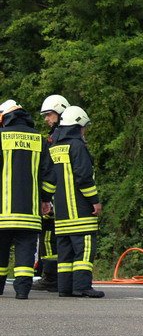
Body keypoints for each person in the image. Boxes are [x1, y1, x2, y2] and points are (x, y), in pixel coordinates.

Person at [0, 100, 56, 299]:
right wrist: (45, 200)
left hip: (2, 214)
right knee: (25, 251)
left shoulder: (1, 137)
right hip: (30, 214)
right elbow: (50, 175)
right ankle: (22, 292)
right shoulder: (39, 140)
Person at [49, 105, 105, 297]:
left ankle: (65, 288)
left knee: (65, 254)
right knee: (84, 250)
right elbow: (83, 177)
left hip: (61, 213)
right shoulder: (77, 146)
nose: (84, 131)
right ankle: (82, 287)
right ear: (78, 125)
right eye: (83, 127)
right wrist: (95, 201)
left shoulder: (54, 146)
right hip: (80, 211)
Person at [32, 94, 69, 291]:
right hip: (63, 195)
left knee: (48, 235)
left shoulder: (56, 138)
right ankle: (58, 276)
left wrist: (46, 198)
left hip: (55, 195)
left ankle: (50, 277)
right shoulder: (70, 134)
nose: (46, 119)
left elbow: (50, 170)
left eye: (49, 114)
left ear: (61, 112)